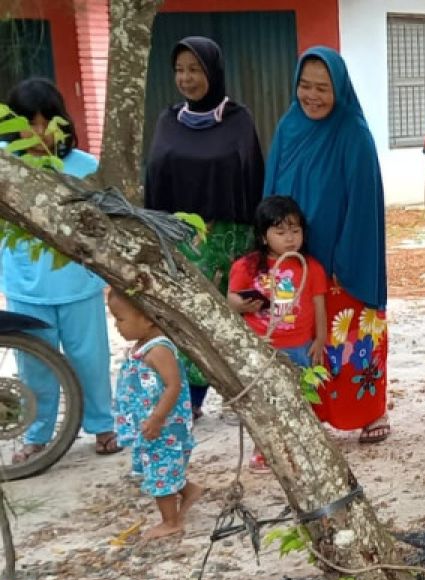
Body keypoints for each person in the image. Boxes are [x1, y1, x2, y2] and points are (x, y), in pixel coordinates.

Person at [264, 47, 391, 444]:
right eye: (305, 86)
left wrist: (347, 257)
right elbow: (271, 190)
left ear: (339, 88)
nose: (312, 96)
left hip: (339, 259)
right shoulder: (289, 127)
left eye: (323, 87)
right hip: (293, 256)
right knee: (301, 337)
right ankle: (311, 412)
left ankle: (368, 412)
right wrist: (270, 245)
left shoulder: (352, 131)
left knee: (348, 338)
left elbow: (363, 201)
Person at [145, 36, 265, 419]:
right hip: (182, 244)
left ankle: (241, 396)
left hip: (230, 241)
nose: (186, 78)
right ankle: (191, 401)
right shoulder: (168, 121)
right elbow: (155, 179)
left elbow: (252, 177)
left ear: (213, 71)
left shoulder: (238, 120)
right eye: (179, 70)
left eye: (195, 69)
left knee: (234, 319)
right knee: (189, 321)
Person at [1, 78, 120, 463]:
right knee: (35, 364)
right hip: (25, 286)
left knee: (91, 360)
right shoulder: (6, 165)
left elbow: (106, 224)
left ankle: (103, 427)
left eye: (45, 123)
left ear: (61, 123)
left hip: (78, 284)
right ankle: (37, 434)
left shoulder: (84, 168)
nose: (38, 134)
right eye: (27, 124)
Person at [227, 195, 328, 473]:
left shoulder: (310, 267)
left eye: (295, 231)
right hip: (261, 347)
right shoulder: (246, 266)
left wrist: (320, 339)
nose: (289, 238)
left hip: (299, 346)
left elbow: (319, 302)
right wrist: (241, 304)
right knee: (264, 400)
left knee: (302, 397)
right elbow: (230, 300)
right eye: (280, 232)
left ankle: (303, 446)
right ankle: (264, 450)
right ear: (263, 236)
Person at [109, 290, 201, 539]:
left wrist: (158, 418)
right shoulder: (143, 345)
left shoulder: (159, 350)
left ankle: (170, 521)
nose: (117, 326)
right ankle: (190, 490)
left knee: (160, 468)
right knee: (164, 465)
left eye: (121, 319)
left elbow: (174, 385)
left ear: (148, 319)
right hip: (154, 423)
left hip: (164, 425)